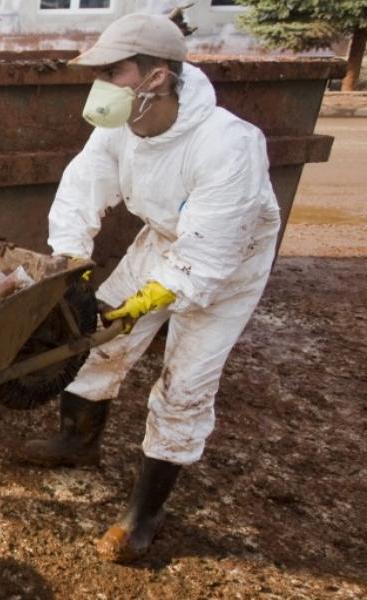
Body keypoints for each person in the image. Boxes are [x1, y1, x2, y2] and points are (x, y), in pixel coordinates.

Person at [20, 12, 281, 563]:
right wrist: (72, 259)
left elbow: (208, 253)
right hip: (164, 238)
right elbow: (82, 188)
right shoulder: (119, 126)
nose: (100, 87)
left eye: (113, 72)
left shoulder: (228, 145)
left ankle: (145, 514)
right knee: (97, 339)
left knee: (184, 384)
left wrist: (149, 301)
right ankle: (77, 442)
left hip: (229, 258)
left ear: (156, 78)